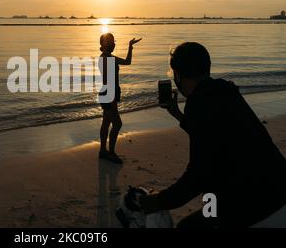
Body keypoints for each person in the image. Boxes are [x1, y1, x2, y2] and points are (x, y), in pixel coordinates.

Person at [139, 42, 286, 227]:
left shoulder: (198, 103)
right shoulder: (225, 91)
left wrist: (160, 201)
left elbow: (198, 175)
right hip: (278, 185)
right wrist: (177, 114)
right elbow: (215, 134)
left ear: (178, 74)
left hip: (255, 204)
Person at [98, 33, 142, 164]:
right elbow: (107, 81)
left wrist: (130, 46)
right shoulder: (105, 59)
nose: (112, 43)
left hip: (111, 93)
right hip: (108, 94)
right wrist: (111, 100)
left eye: (113, 41)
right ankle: (110, 153)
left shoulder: (110, 57)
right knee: (117, 123)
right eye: (110, 41)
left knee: (106, 122)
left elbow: (127, 62)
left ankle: (102, 151)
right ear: (103, 44)